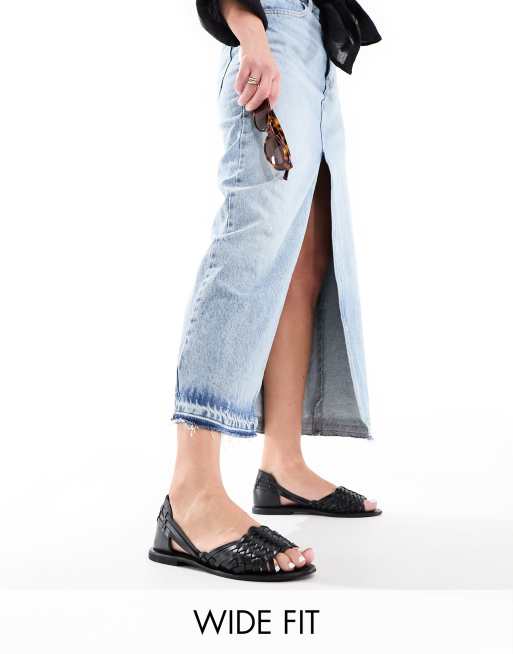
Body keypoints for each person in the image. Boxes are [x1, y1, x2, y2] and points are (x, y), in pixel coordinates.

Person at [149, 0, 382, 582]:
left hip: (311, 44)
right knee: (247, 253)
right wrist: (251, 33)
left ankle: (283, 466)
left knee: (305, 259)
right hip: (268, 36)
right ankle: (192, 495)